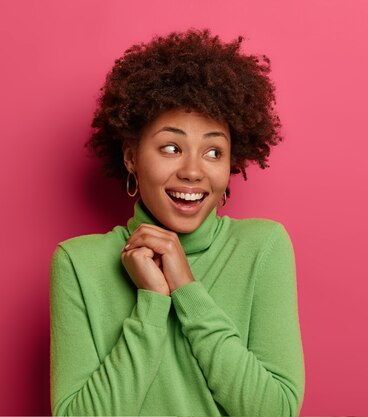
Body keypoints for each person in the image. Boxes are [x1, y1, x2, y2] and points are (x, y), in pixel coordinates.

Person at [49, 29, 305, 416]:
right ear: (132, 157)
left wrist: (186, 288)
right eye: (171, 148)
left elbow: (276, 410)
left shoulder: (263, 246)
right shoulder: (78, 262)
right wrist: (151, 304)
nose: (192, 171)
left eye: (213, 151)